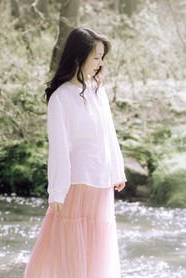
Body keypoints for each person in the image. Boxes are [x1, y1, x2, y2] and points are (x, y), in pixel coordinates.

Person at [23, 27, 127, 278]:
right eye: (96, 57)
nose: (101, 63)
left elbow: (108, 133)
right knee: (70, 248)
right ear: (78, 58)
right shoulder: (60, 98)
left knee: (97, 248)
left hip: (101, 183)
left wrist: (117, 170)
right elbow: (59, 148)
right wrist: (56, 191)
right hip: (76, 184)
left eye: (103, 57)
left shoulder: (97, 90)